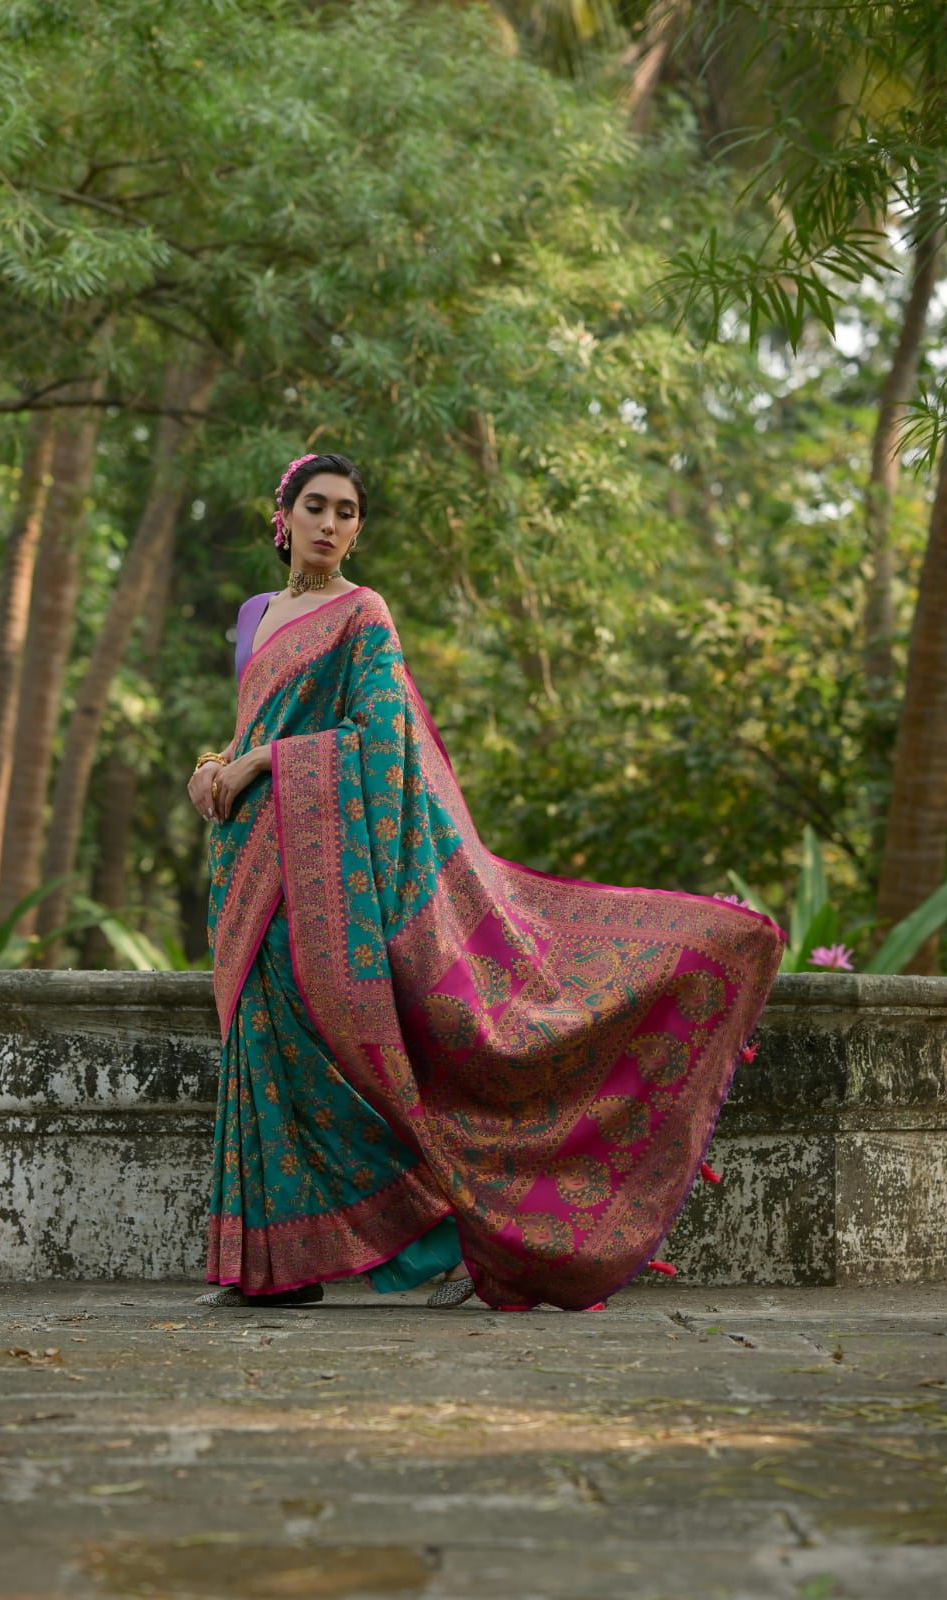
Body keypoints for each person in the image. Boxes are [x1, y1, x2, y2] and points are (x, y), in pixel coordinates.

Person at [187, 452, 784, 1312]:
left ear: (358, 529)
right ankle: (278, 1264)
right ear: (281, 513)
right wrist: (213, 766)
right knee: (260, 1048)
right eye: (314, 506)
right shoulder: (255, 617)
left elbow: (382, 738)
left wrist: (265, 763)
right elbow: (246, 726)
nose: (328, 524)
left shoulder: (364, 616)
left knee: (317, 1057)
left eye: (346, 512)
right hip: (243, 865)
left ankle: (441, 1226)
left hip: (318, 876)